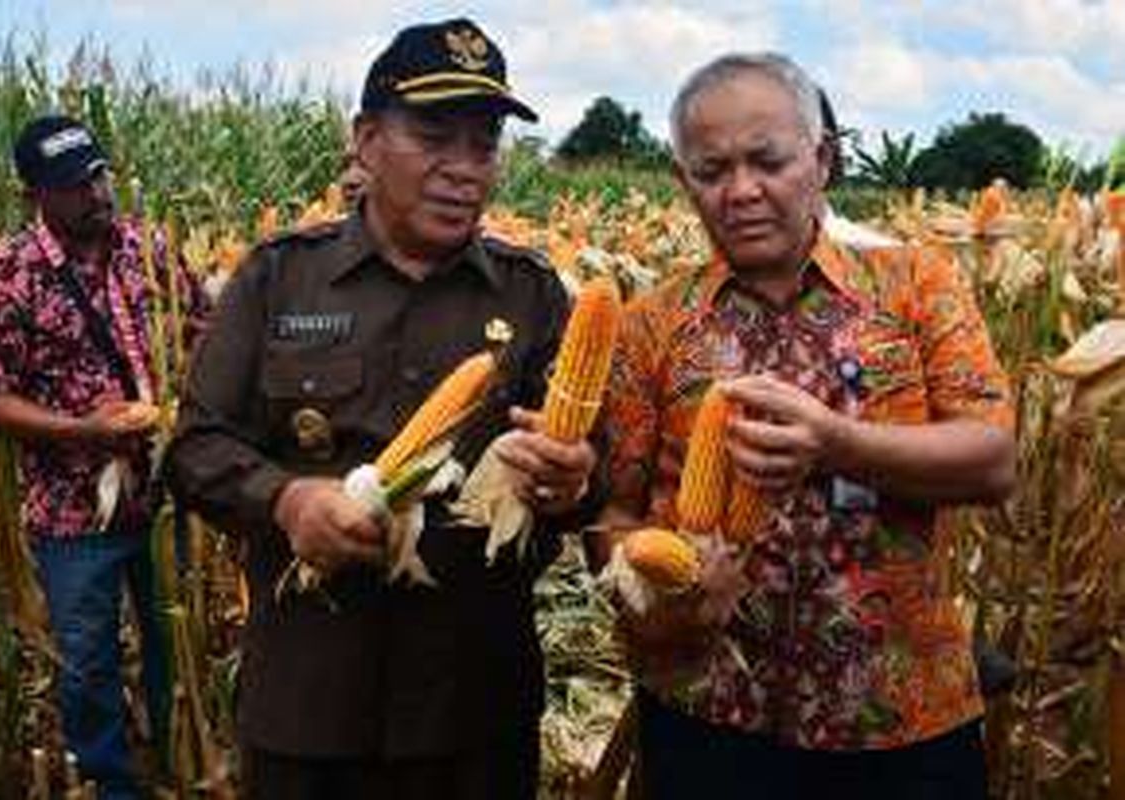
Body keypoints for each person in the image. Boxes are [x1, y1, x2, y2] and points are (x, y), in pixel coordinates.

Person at [166, 18, 597, 799]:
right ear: (366, 141)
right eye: (435, 135)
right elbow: (194, 449)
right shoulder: (277, 280)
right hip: (310, 704)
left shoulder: (532, 293)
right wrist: (290, 500)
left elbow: (585, 484)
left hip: (473, 710)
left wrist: (571, 482)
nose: (465, 168)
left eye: (484, 143)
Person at [591, 53, 1015, 799]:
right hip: (708, 715)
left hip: (903, 715)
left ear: (819, 159)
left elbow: (991, 459)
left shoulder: (917, 288)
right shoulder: (649, 323)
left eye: (767, 161)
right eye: (712, 169)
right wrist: (661, 594)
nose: (742, 190)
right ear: (684, 181)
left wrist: (834, 442)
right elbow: (614, 516)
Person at [0, 115, 208, 798]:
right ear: (35, 195)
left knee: (172, 638)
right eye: (75, 185)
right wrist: (82, 431)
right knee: (88, 662)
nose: (97, 194)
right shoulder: (9, 277)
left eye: (99, 175)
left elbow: (202, 331)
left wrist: (186, 402)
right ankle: (107, 782)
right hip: (73, 513)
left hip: (162, 495)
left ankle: (183, 759)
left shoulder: (149, 248)